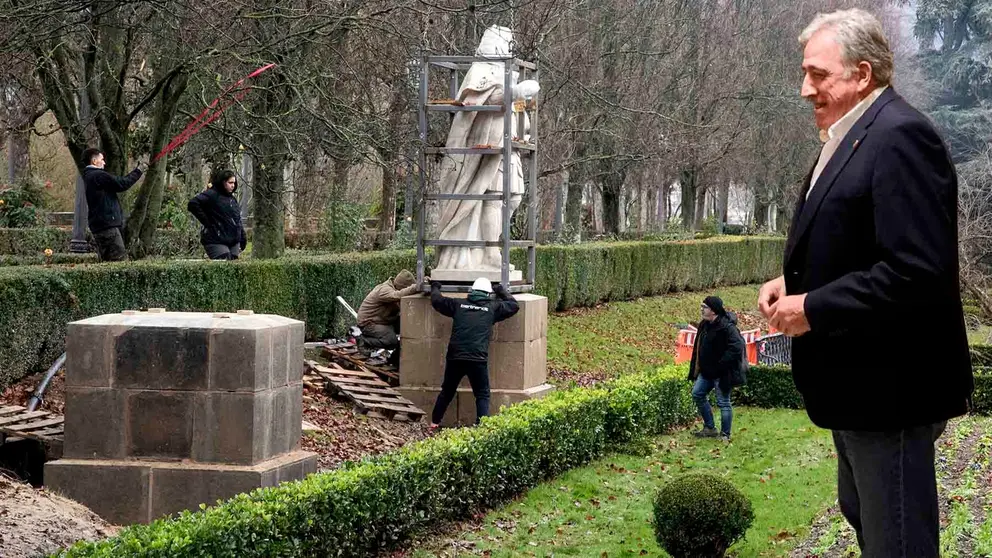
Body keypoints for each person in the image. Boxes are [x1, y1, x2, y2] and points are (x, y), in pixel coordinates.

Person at [758, 9, 973, 557]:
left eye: (819, 75)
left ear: (862, 73)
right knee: (874, 529)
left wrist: (815, 307)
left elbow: (917, 272)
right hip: (860, 390)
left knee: (896, 543)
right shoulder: (855, 133)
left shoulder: (901, 137)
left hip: (890, 393)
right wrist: (794, 279)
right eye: (805, 73)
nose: (805, 88)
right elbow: (865, 239)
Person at [428, 277, 519, 427]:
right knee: (482, 394)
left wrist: (435, 286)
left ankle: (434, 423)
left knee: (447, 392)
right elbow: (514, 305)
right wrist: (501, 291)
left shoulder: (458, 304)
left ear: (472, 291)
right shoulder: (492, 308)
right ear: (488, 294)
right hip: (477, 358)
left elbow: (437, 301)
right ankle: (482, 427)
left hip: (455, 357)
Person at [687, 296, 744, 441]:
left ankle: (725, 435)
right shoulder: (704, 325)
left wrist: (722, 363)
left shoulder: (727, 327)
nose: (701, 309)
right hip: (706, 372)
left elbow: (737, 347)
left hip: (723, 373)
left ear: (713, 310)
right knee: (697, 394)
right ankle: (710, 428)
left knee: (723, 403)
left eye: (704, 307)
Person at [81, 148, 143, 261]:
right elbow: (121, 184)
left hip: (99, 226)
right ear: (94, 161)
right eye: (102, 159)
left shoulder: (88, 176)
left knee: (106, 263)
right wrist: (138, 171)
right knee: (119, 263)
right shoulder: (98, 175)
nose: (104, 162)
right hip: (108, 225)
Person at [355, 269, 420, 362]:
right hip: (369, 322)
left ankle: (395, 358)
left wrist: (424, 283)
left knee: (408, 324)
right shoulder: (384, 290)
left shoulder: (394, 287)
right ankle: (364, 341)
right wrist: (415, 287)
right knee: (391, 340)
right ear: (401, 287)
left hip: (383, 320)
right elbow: (397, 295)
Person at [187, 169, 247, 260]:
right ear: (223, 182)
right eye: (230, 183)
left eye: (234, 183)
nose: (233, 185)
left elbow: (237, 220)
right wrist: (207, 222)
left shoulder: (232, 199)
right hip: (216, 239)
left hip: (233, 240)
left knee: (233, 268)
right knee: (224, 266)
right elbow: (193, 204)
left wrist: (242, 238)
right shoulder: (212, 195)